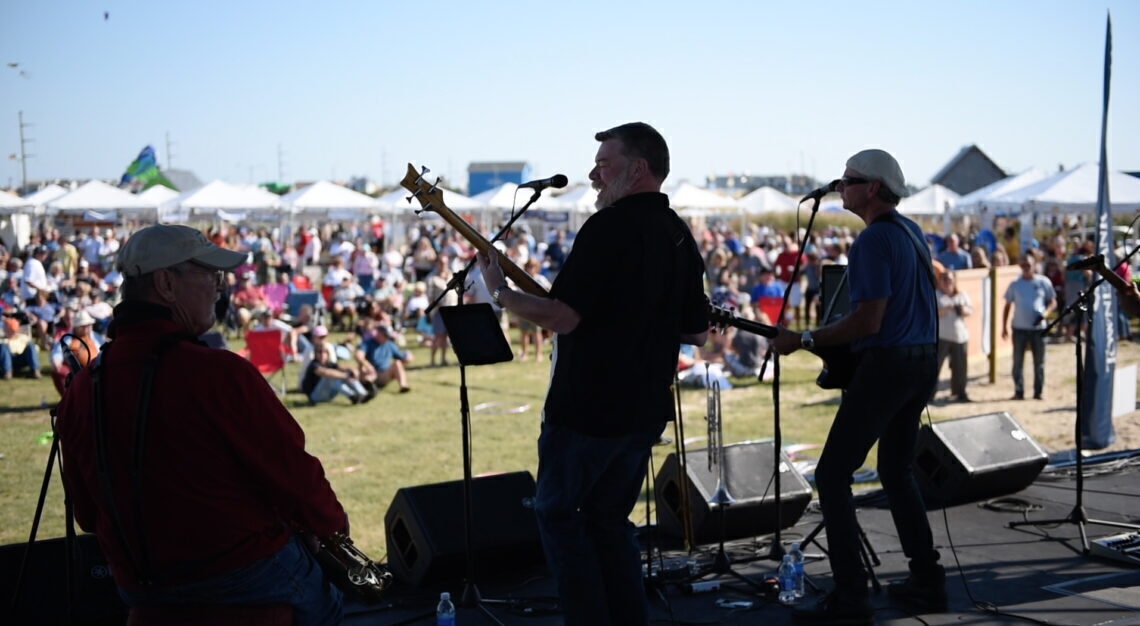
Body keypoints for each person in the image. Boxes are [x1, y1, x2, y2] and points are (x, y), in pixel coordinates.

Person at [55, 224, 347, 625]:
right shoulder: (218, 373)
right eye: (210, 275)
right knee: (334, 604)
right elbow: (298, 478)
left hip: (141, 588)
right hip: (245, 578)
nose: (219, 288)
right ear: (166, 284)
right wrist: (334, 532)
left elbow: (87, 515)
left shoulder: (84, 387)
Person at [477, 122, 708, 626]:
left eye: (604, 165)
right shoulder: (678, 234)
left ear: (638, 169)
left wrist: (500, 291)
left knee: (558, 517)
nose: (593, 175)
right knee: (607, 521)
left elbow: (563, 317)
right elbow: (697, 331)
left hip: (588, 411)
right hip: (643, 409)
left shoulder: (608, 229)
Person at [772, 149, 943, 623]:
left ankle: (851, 599)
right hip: (922, 362)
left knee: (831, 474)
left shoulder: (871, 242)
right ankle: (928, 581)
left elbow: (869, 321)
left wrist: (804, 338)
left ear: (871, 188)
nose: (839, 187)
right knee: (895, 469)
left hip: (889, 366)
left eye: (847, 180)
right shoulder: (910, 232)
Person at [1002, 253, 1056, 400]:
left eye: (1028, 265)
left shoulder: (1043, 282)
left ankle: (1038, 391)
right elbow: (1007, 305)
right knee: (1017, 361)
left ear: (1034, 265)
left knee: (1039, 362)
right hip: (1019, 328)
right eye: (1023, 265)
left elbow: (1052, 302)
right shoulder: (1015, 284)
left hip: (1038, 329)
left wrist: (1045, 314)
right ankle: (1019, 391)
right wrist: (1004, 326)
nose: (1026, 267)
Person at [301, 324, 374, 405]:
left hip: (327, 393)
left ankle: (363, 394)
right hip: (315, 396)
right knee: (333, 376)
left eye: (324, 352)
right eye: (319, 352)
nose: (322, 355)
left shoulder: (328, 361)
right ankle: (353, 396)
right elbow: (325, 372)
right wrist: (345, 376)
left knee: (344, 374)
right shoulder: (314, 364)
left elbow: (339, 366)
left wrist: (351, 370)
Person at [935, 270, 972, 402]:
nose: (947, 282)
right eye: (944, 279)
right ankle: (930, 394)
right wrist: (947, 308)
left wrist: (962, 309)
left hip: (960, 337)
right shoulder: (937, 295)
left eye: (949, 279)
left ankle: (959, 392)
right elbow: (934, 313)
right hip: (942, 337)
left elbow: (970, 311)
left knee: (960, 368)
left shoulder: (961, 295)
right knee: (936, 367)